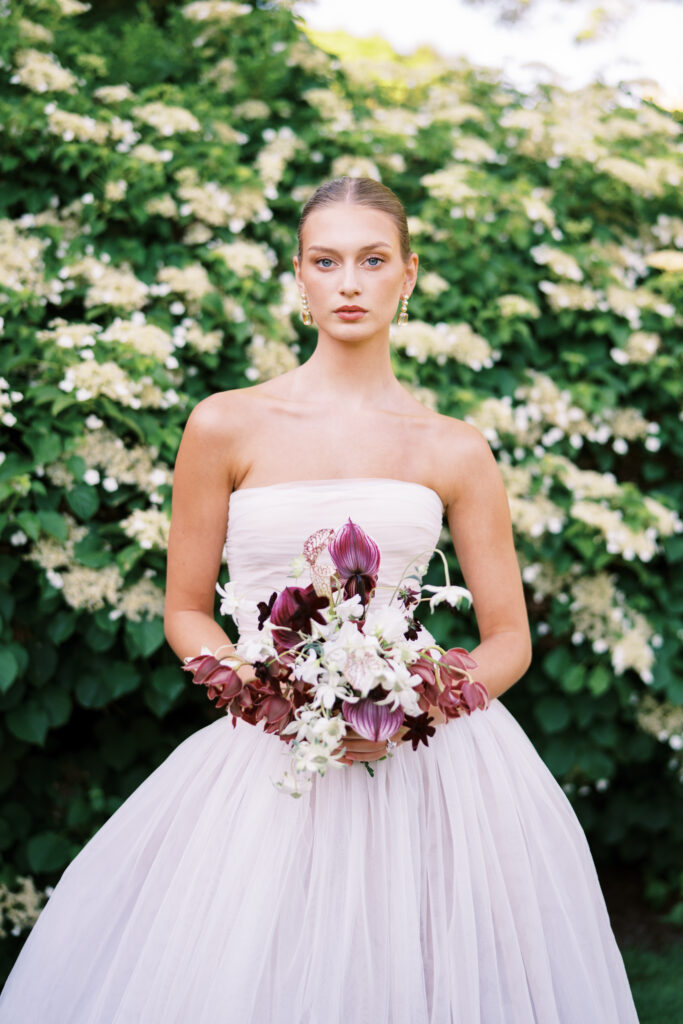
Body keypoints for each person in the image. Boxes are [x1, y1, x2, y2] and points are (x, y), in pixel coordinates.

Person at [0, 176, 639, 1022]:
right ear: (298, 276)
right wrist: (280, 700)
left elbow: (508, 637)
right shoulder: (224, 424)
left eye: (372, 261)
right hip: (270, 760)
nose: (348, 282)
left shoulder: (453, 448)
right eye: (325, 260)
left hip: (431, 767)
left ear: (406, 276)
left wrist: (407, 709)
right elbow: (185, 611)